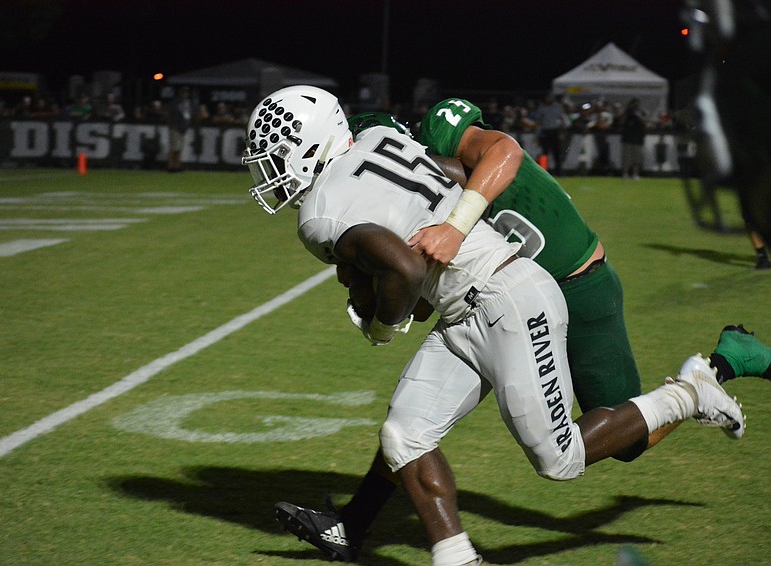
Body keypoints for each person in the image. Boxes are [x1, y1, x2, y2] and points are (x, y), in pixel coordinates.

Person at [242, 86, 746, 566]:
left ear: (309, 143)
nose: (271, 172)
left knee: (560, 458)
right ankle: (455, 556)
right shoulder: (379, 140)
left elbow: (407, 268)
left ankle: (691, 392)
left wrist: (380, 324)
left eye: (276, 156)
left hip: (509, 299)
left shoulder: (319, 212)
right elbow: (451, 181)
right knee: (404, 435)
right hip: (468, 306)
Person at [620, 98, 647, 180]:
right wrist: (627, 113)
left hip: (638, 139)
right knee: (626, 158)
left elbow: (645, 122)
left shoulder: (642, 112)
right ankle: (625, 174)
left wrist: (637, 115)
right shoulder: (627, 113)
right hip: (627, 139)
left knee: (637, 158)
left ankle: (635, 174)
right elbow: (622, 122)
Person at [166, 87, 192, 172]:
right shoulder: (175, 103)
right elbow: (169, 114)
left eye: (186, 93)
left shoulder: (187, 103)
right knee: (173, 148)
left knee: (179, 148)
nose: (185, 95)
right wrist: (171, 126)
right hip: (175, 128)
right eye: (183, 93)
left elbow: (187, 115)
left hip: (182, 128)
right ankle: (170, 166)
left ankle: (177, 166)